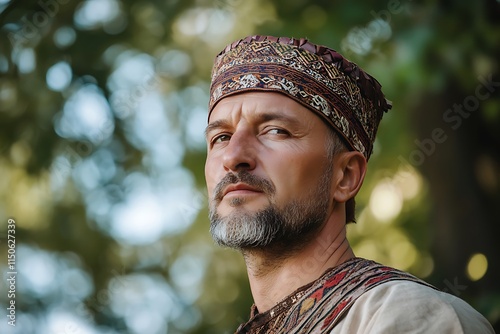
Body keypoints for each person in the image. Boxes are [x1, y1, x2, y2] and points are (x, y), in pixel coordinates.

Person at [204, 35, 494, 333]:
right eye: (220, 138)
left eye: (275, 131)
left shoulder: (411, 315)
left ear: (346, 176)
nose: (233, 156)